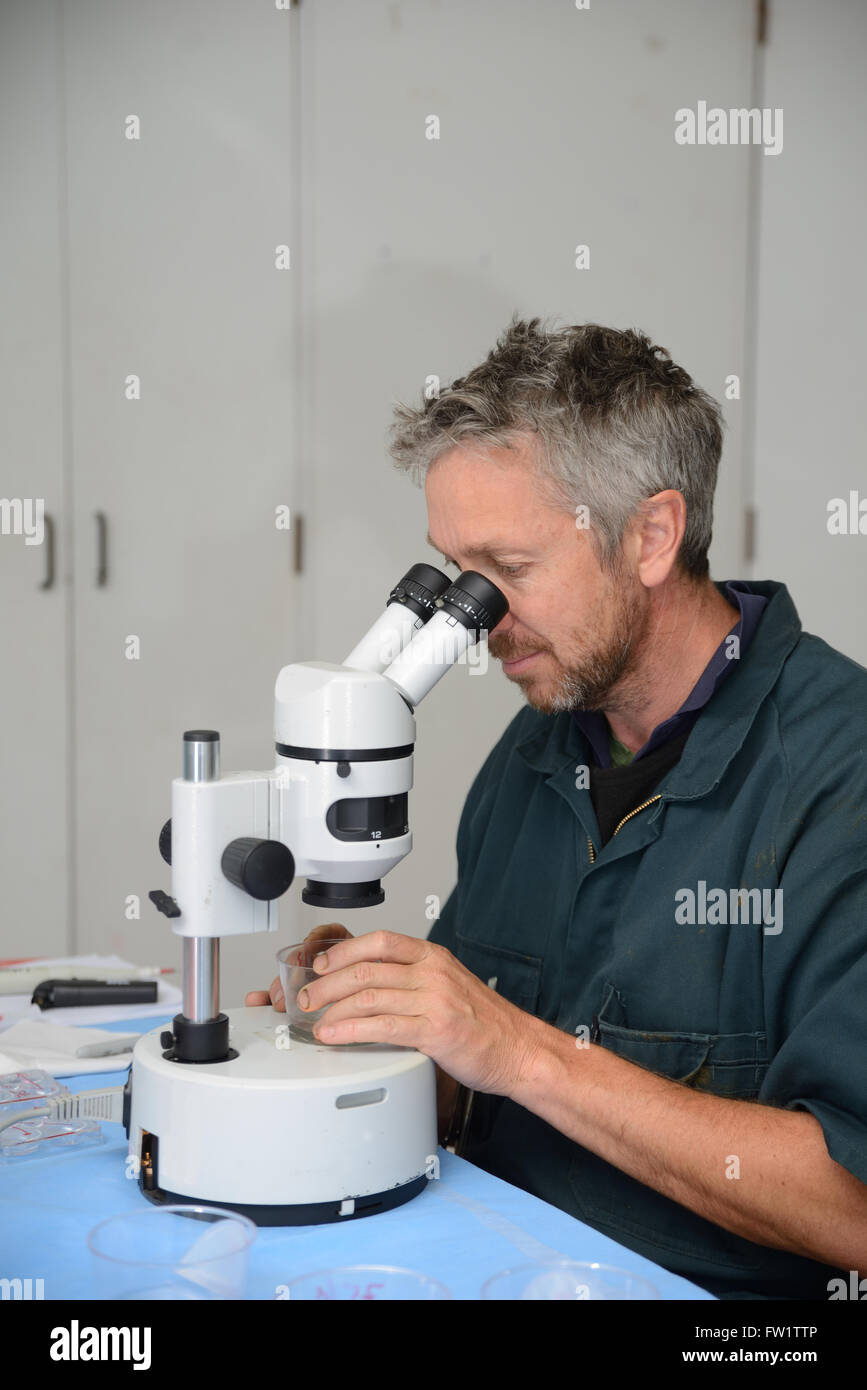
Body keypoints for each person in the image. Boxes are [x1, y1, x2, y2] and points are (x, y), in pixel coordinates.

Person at [247, 317, 867, 1299]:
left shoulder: (841, 775)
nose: (476, 622)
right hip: (481, 1258)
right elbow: (480, 1081)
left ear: (652, 535)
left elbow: (853, 1205)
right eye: (457, 575)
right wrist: (393, 1016)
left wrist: (519, 1050)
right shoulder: (543, 745)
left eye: (511, 571)